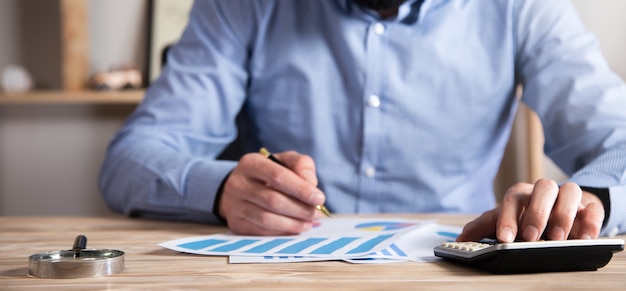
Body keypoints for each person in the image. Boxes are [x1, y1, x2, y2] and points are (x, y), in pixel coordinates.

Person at [99, 0, 626, 242]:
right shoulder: (240, 6)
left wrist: (592, 200)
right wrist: (220, 191)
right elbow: (131, 158)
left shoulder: (523, 8)